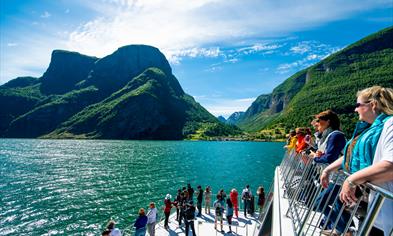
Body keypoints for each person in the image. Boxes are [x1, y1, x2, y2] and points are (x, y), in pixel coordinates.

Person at [320, 86, 393, 235]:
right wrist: (328, 169)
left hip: (386, 205)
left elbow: (390, 166)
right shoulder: (371, 130)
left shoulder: (390, 125)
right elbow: (350, 155)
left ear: (372, 104)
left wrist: (352, 180)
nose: (355, 110)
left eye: (358, 105)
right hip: (373, 204)